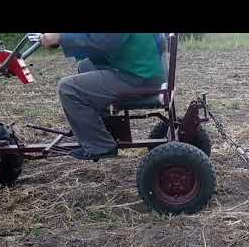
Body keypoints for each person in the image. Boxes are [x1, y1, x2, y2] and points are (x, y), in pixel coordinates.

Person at [40, 33, 166, 161]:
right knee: (85, 66)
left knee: (68, 88)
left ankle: (101, 146)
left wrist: (61, 38)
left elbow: (105, 40)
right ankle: (102, 129)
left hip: (139, 77)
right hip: (142, 68)